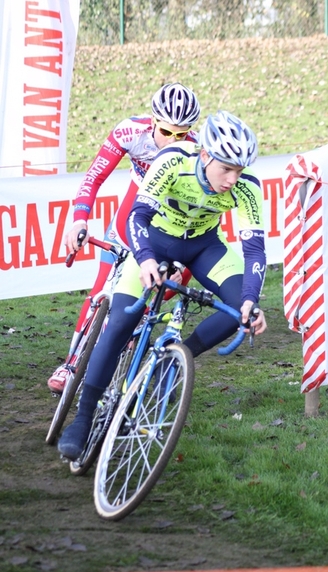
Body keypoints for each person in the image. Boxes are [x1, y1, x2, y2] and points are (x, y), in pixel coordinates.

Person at [58, 110, 267, 461]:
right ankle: (83, 417)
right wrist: (145, 259)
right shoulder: (173, 160)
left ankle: (175, 360)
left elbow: (254, 250)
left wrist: (250, 300)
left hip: (204, 247)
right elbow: (137, 216)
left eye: (239, 170)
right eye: (226, 169)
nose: (233, 179)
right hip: (153, 241)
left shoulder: (246, 189)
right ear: (204, 155)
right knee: (122, 321)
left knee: (238, 309)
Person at [47, 83, 200, 394]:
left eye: (181, 135)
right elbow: (93, 178)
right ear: (153, 121)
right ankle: (71, 362)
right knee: (103, 287)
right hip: (132, 212)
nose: (173, 141)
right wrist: (79, 219)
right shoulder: (131, 132)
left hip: (169, 219)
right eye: (167, 132)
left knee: (165, 284)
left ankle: (134, 331)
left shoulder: (198, 151)